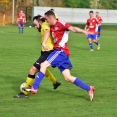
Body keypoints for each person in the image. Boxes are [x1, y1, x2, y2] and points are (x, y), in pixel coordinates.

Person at [26, 10, 95, 101]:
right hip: (63, 54)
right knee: (67, 77)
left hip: (60, 51)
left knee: (43, 64)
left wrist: (84, 32)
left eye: (47, 20)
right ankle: (89, 88)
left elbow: (73, 29)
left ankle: (35, 87)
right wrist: (43, 17)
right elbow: (47, 17)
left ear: (51, 18)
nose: (46, 22)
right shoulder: (51, 23)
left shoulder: (61, 24)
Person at [14, 15, 61, 98]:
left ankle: (25, 93)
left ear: (39, 22)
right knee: (42, 68)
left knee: (32, 70)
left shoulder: (44, 24)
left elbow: (47, 31)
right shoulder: (44, 24)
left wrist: (44, 43)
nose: (35, 27)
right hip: (45, 52)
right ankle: (55, 82)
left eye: (36, 24)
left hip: (48, 51)